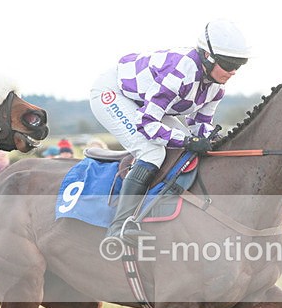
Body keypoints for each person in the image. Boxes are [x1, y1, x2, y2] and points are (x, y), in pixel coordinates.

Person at [89, 19, 250, 243]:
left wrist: (212, 141)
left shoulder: (216, 87)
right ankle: (119, 227)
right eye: (228, 64)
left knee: (186, 150)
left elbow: (200, 125)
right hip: (115, 93)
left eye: (239, 65)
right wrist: (187, 140)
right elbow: (147, 124)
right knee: (152, 152)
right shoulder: (180, 73)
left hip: (146, 103)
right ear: (207, 56)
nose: (233, 72)